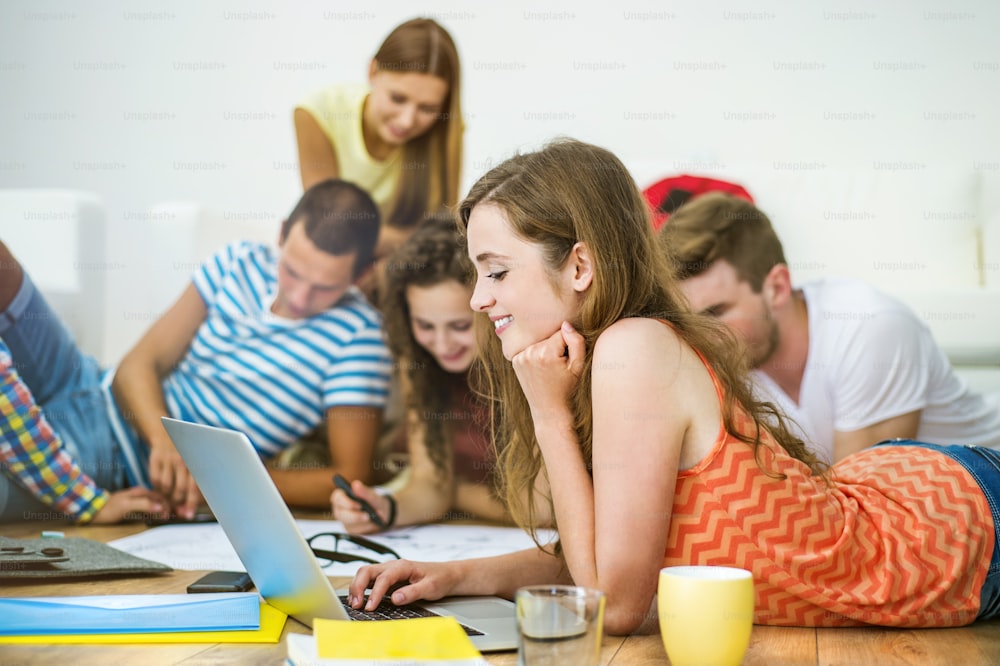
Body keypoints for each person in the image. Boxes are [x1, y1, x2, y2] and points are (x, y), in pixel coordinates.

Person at [345, 139, 1000, 635]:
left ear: (579, 265)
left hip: (949, 532)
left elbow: (613, 604)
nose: (479, 300)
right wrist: (450, 577)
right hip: (909, 499)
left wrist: (548, 416)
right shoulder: (605, 356)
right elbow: (603, 555)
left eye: (495, 272)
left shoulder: (634, 350)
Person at [0, 179, 392, 522]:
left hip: (107, 460)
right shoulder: (238, 261)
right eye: (292, 271)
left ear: (360, 275)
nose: (300, 297)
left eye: (324, 287)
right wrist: (165, 440)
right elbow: (136, 366)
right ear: (282, 233)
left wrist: (219, 481)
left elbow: (347, 477)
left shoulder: (359, 336)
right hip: (81, 378)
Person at [658, 192, 1000, 463]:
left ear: (776, 287)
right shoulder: (726, 356)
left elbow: (864, 507)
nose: (702, 337)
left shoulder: (868, 327)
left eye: (716, 312)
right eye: (691, 322)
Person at [331, 215, 509, 534]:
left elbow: (543, 508)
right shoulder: (418, 361)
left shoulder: (522, 358)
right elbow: (429, 484)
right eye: (425, 325)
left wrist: (452, 491)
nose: (441, 345)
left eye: (459, 326)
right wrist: (386, 508)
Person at [293, 17, 464, 265]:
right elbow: (326, 225)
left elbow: (443, 232)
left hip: (399, 269)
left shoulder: (447, 130)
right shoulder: (318, 112)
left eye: (427, 108)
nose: (406, 121)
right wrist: (404, 239)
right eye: (397, 98)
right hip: (331, 262)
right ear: (373, 71)